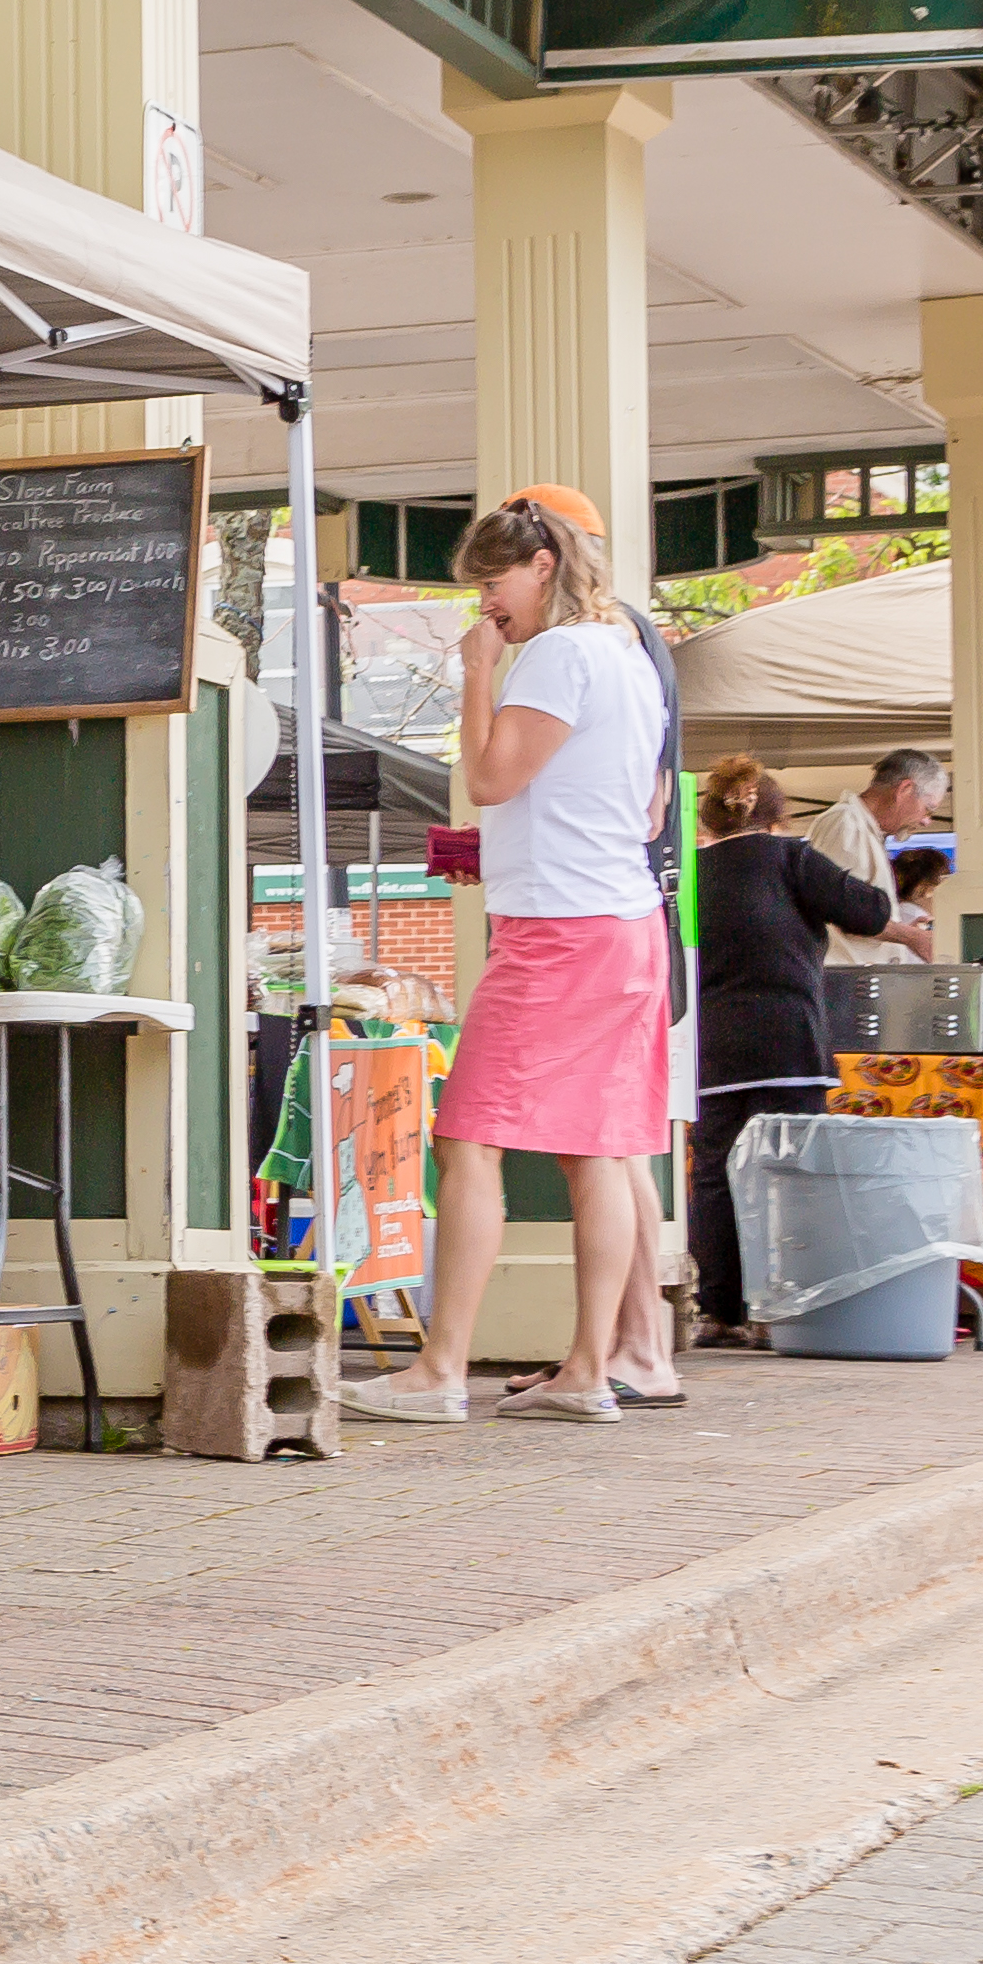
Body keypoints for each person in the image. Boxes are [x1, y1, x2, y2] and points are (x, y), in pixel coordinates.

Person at [342, 488, 674, 1425]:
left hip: (556, 935)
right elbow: (642, 806)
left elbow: (490, 778)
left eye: (493, 582)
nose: (485, 603)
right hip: (623, 926)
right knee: (597, 1151)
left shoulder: (559, 654)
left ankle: (439, 1369)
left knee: (468, 1137)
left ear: (541, 567)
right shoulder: (630, 656)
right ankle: (588, 1369)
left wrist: (478, 672)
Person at [679, 759, 896, 1351]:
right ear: (780, 817)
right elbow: (873, 912)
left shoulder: (692, 872)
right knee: (794, 1177)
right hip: (789, 1044)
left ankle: (722, 1312)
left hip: (714, 1051)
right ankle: (788, 1309)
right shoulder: (792, 858)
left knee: (718, 1178)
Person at [810, 750, 947, 964]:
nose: (926, 821)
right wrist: (911, 937)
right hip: (842, 982)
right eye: (928, 809)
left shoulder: (861, 828)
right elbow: (843, 912)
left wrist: (901, 932)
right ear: (905, 789)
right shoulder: (845, 823)